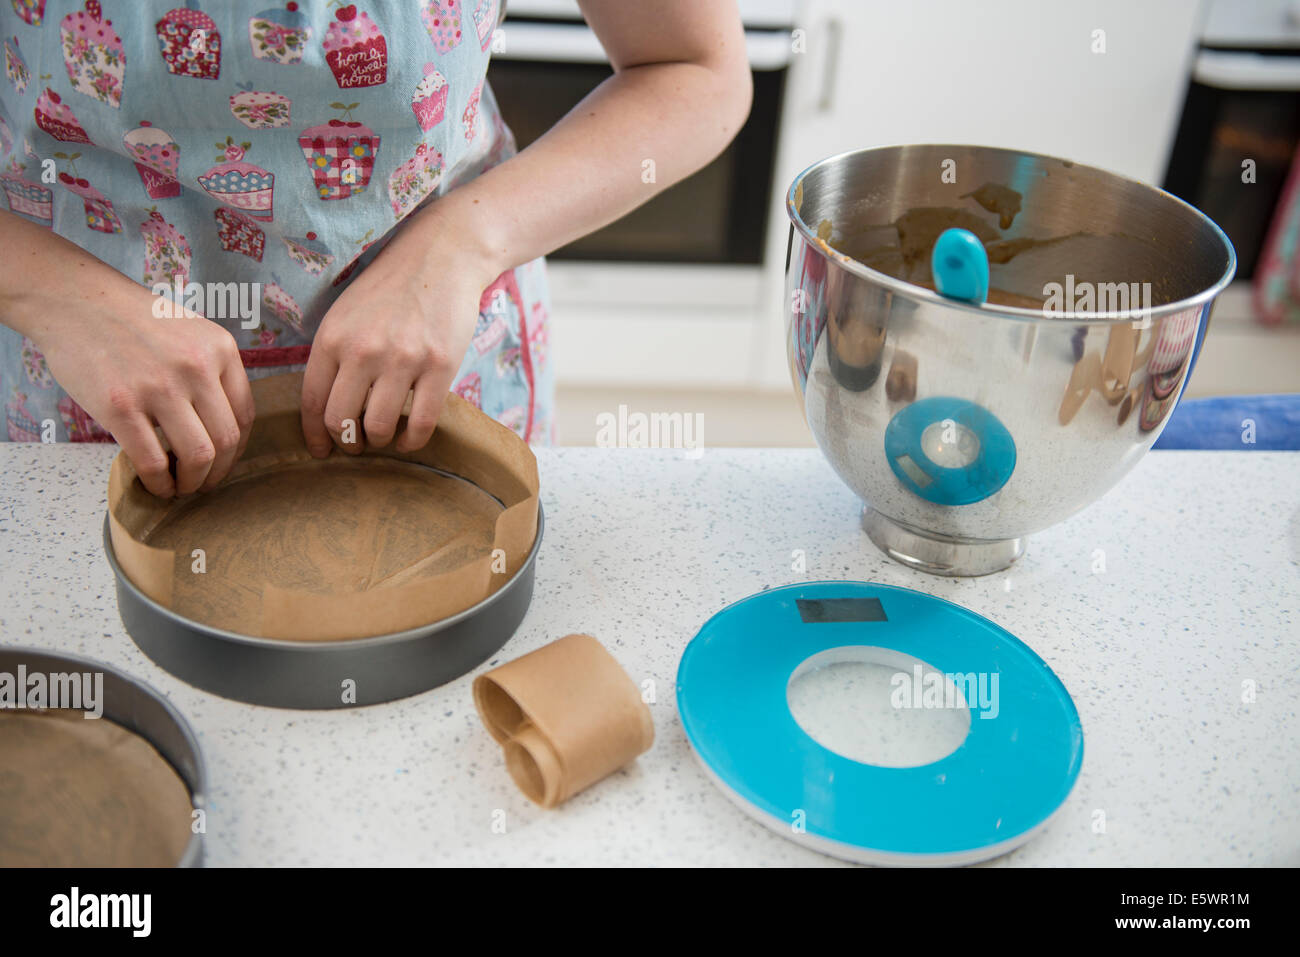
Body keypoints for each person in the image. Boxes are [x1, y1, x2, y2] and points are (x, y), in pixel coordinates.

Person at [0, 0, 751, 496]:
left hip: (442, 372)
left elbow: (691, 69)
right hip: (92, 398)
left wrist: (465, 242)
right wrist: (54, 295)